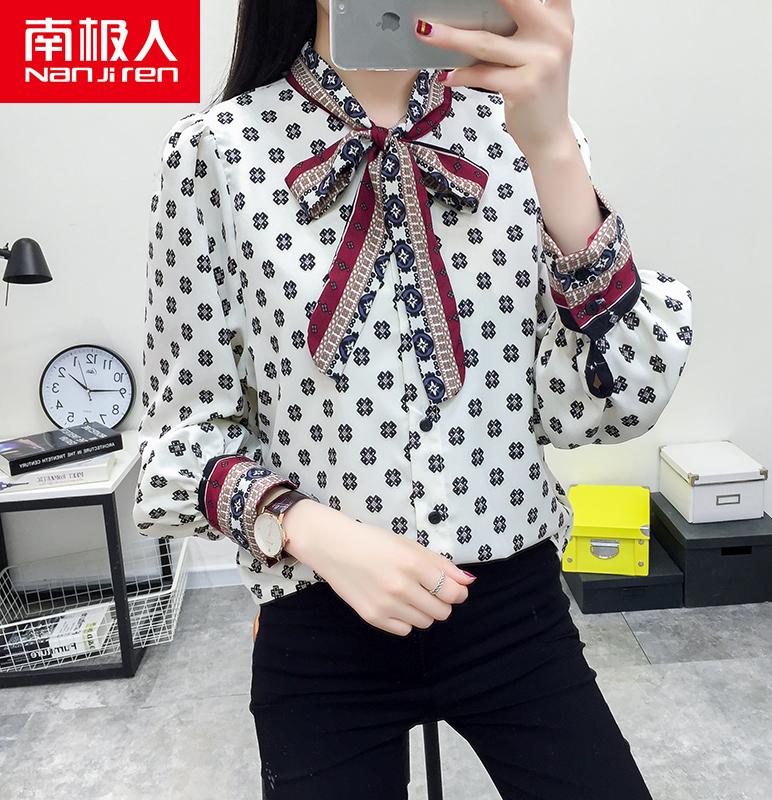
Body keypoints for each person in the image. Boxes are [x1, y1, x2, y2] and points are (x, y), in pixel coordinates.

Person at [133, 0, 692, 796]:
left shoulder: (523, 135)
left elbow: (617, 397)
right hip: (320, 622)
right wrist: (309, 528)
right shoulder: (214, 152)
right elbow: (184, 440)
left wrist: (553, 149)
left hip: (515, 609)